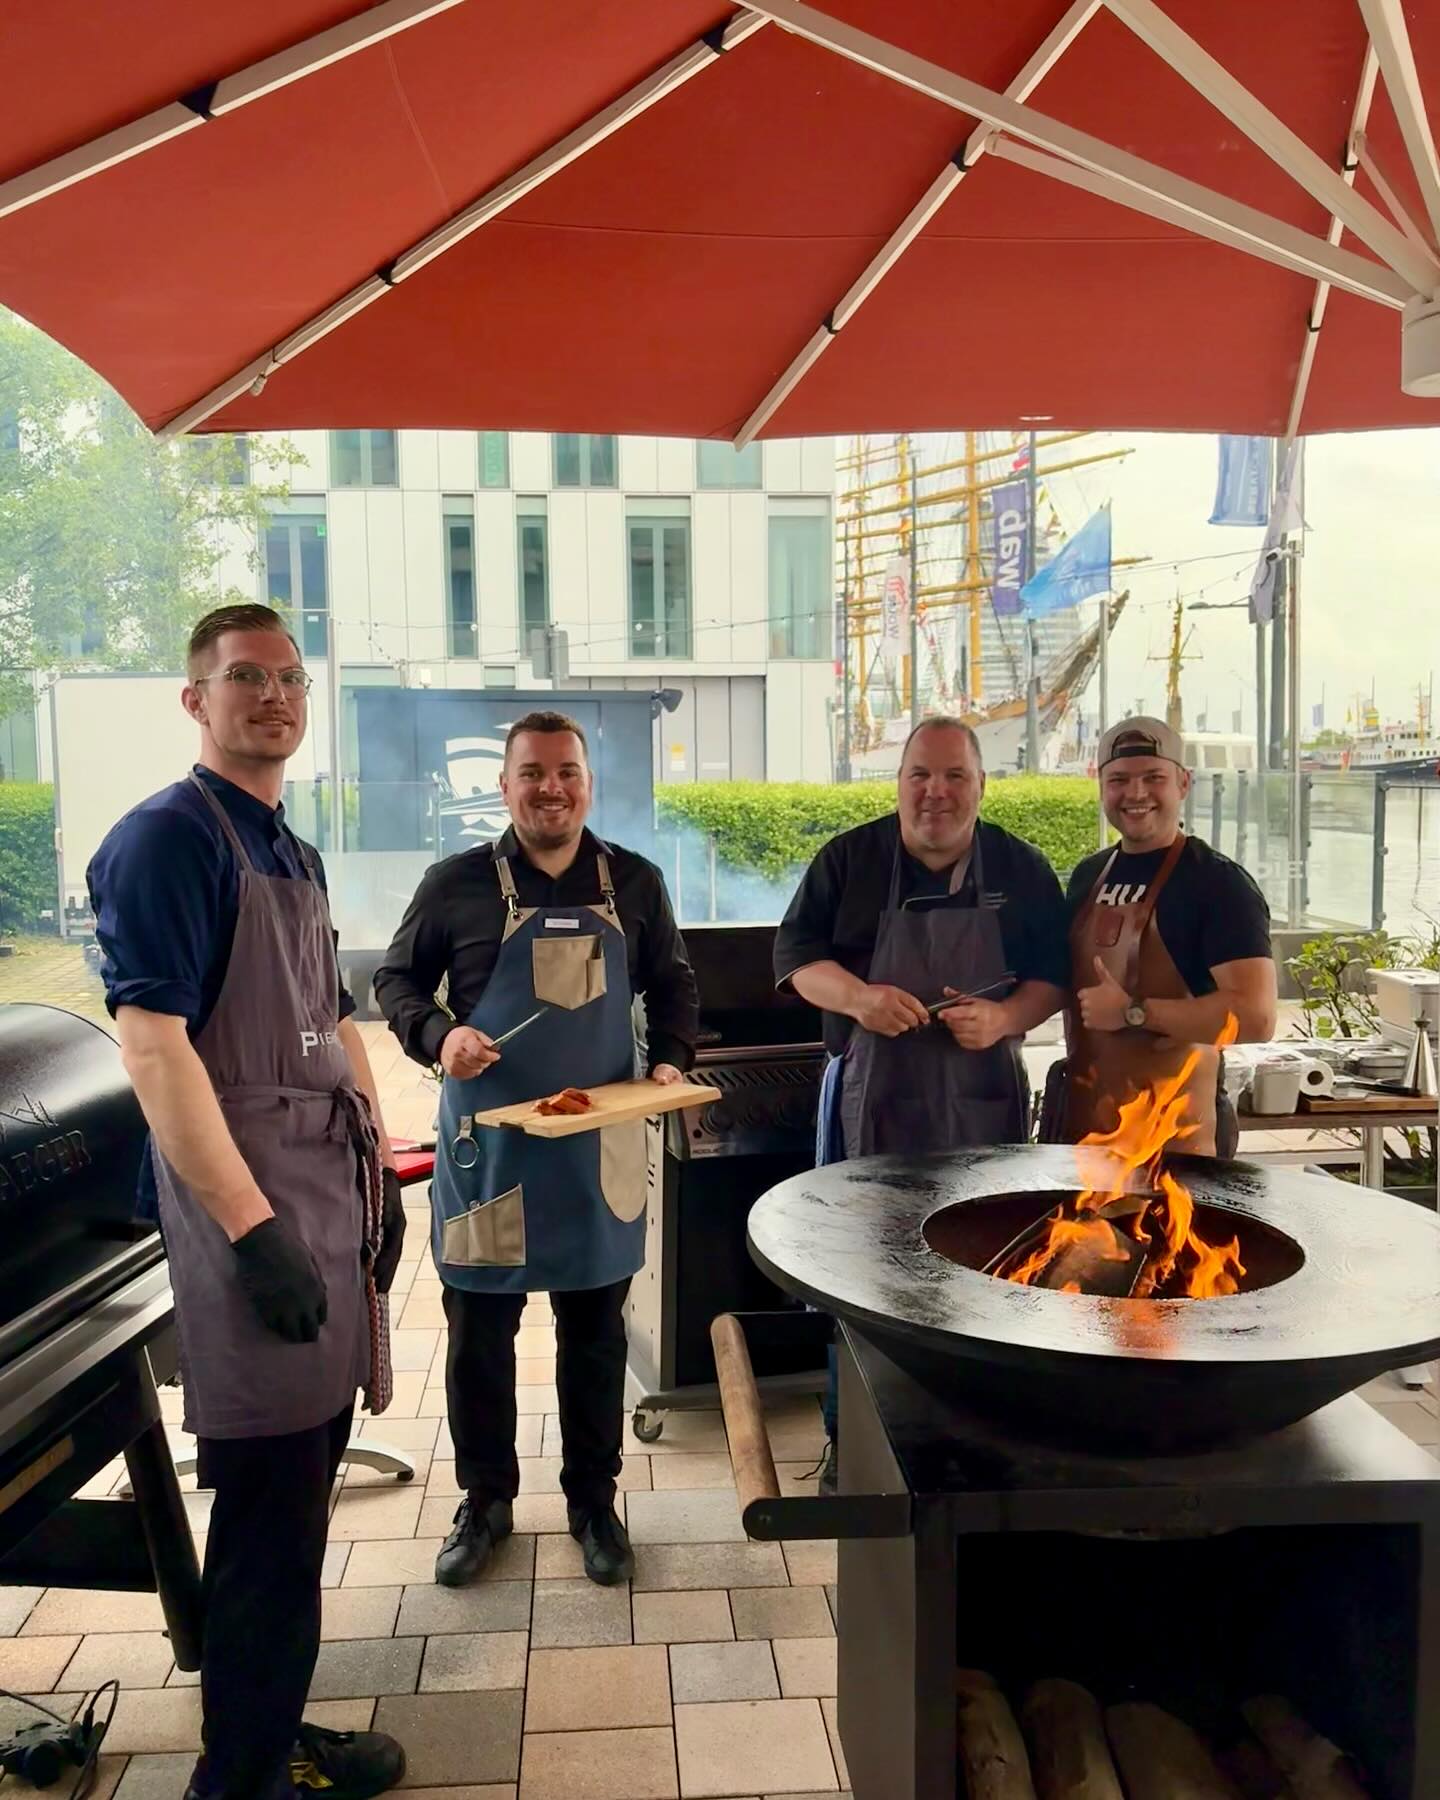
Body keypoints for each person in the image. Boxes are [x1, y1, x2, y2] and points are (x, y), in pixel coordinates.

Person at [87, 603, 407, 1800]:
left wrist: (378, 1169)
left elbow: (330, 1023)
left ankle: (263, 1734)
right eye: (243, 678)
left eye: (288, 678)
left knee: (300, 1493)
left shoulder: (292, 850)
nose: (272, 696)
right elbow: (156, 1051)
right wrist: (253, 1230)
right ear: (196, 701)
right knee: (272, 1511)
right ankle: (242, 1776)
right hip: (251, 1214)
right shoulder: (168, 841)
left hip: (323, 1193)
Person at [375, 711, 698, 1589]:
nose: (549, 787)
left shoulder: (634, 881)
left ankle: (594, 1502)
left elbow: (673, 982)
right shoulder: (457, 884)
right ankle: (485, 1503)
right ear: (506, 782)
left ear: (587, 781)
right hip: (492, 1155)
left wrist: (670, 1057)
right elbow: (393, 980)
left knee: (594, 1337)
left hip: (597, 1154)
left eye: (565, 771)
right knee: (481, 1336)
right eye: (531, 772)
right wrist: (440, 1036)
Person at [773, 717, 1070, 1484]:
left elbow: (1052, 978)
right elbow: (797, 959)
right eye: (920, 776)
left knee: (987, 1261)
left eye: (954, 776)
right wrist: (860, 997)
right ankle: (852, 1439)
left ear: (980, 784)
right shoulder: (850, 860)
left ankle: (971, 1439)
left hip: (983, 1101)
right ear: (899, 782)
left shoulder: (1022, 867)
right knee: (859, 1271)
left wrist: (1006, 1018)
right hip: (871, 1097)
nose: (935, 793)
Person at [1057, 716, 1277, 1156]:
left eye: (1153, 778)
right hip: (1085, 1144)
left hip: (1177, 1148)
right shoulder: (1087, 877)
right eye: (1119, 780)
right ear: (1100, 785)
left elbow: (1256, 1017)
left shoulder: (1217, 883)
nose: (1135, 794)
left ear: (1183, 783)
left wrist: (1134, 1013)